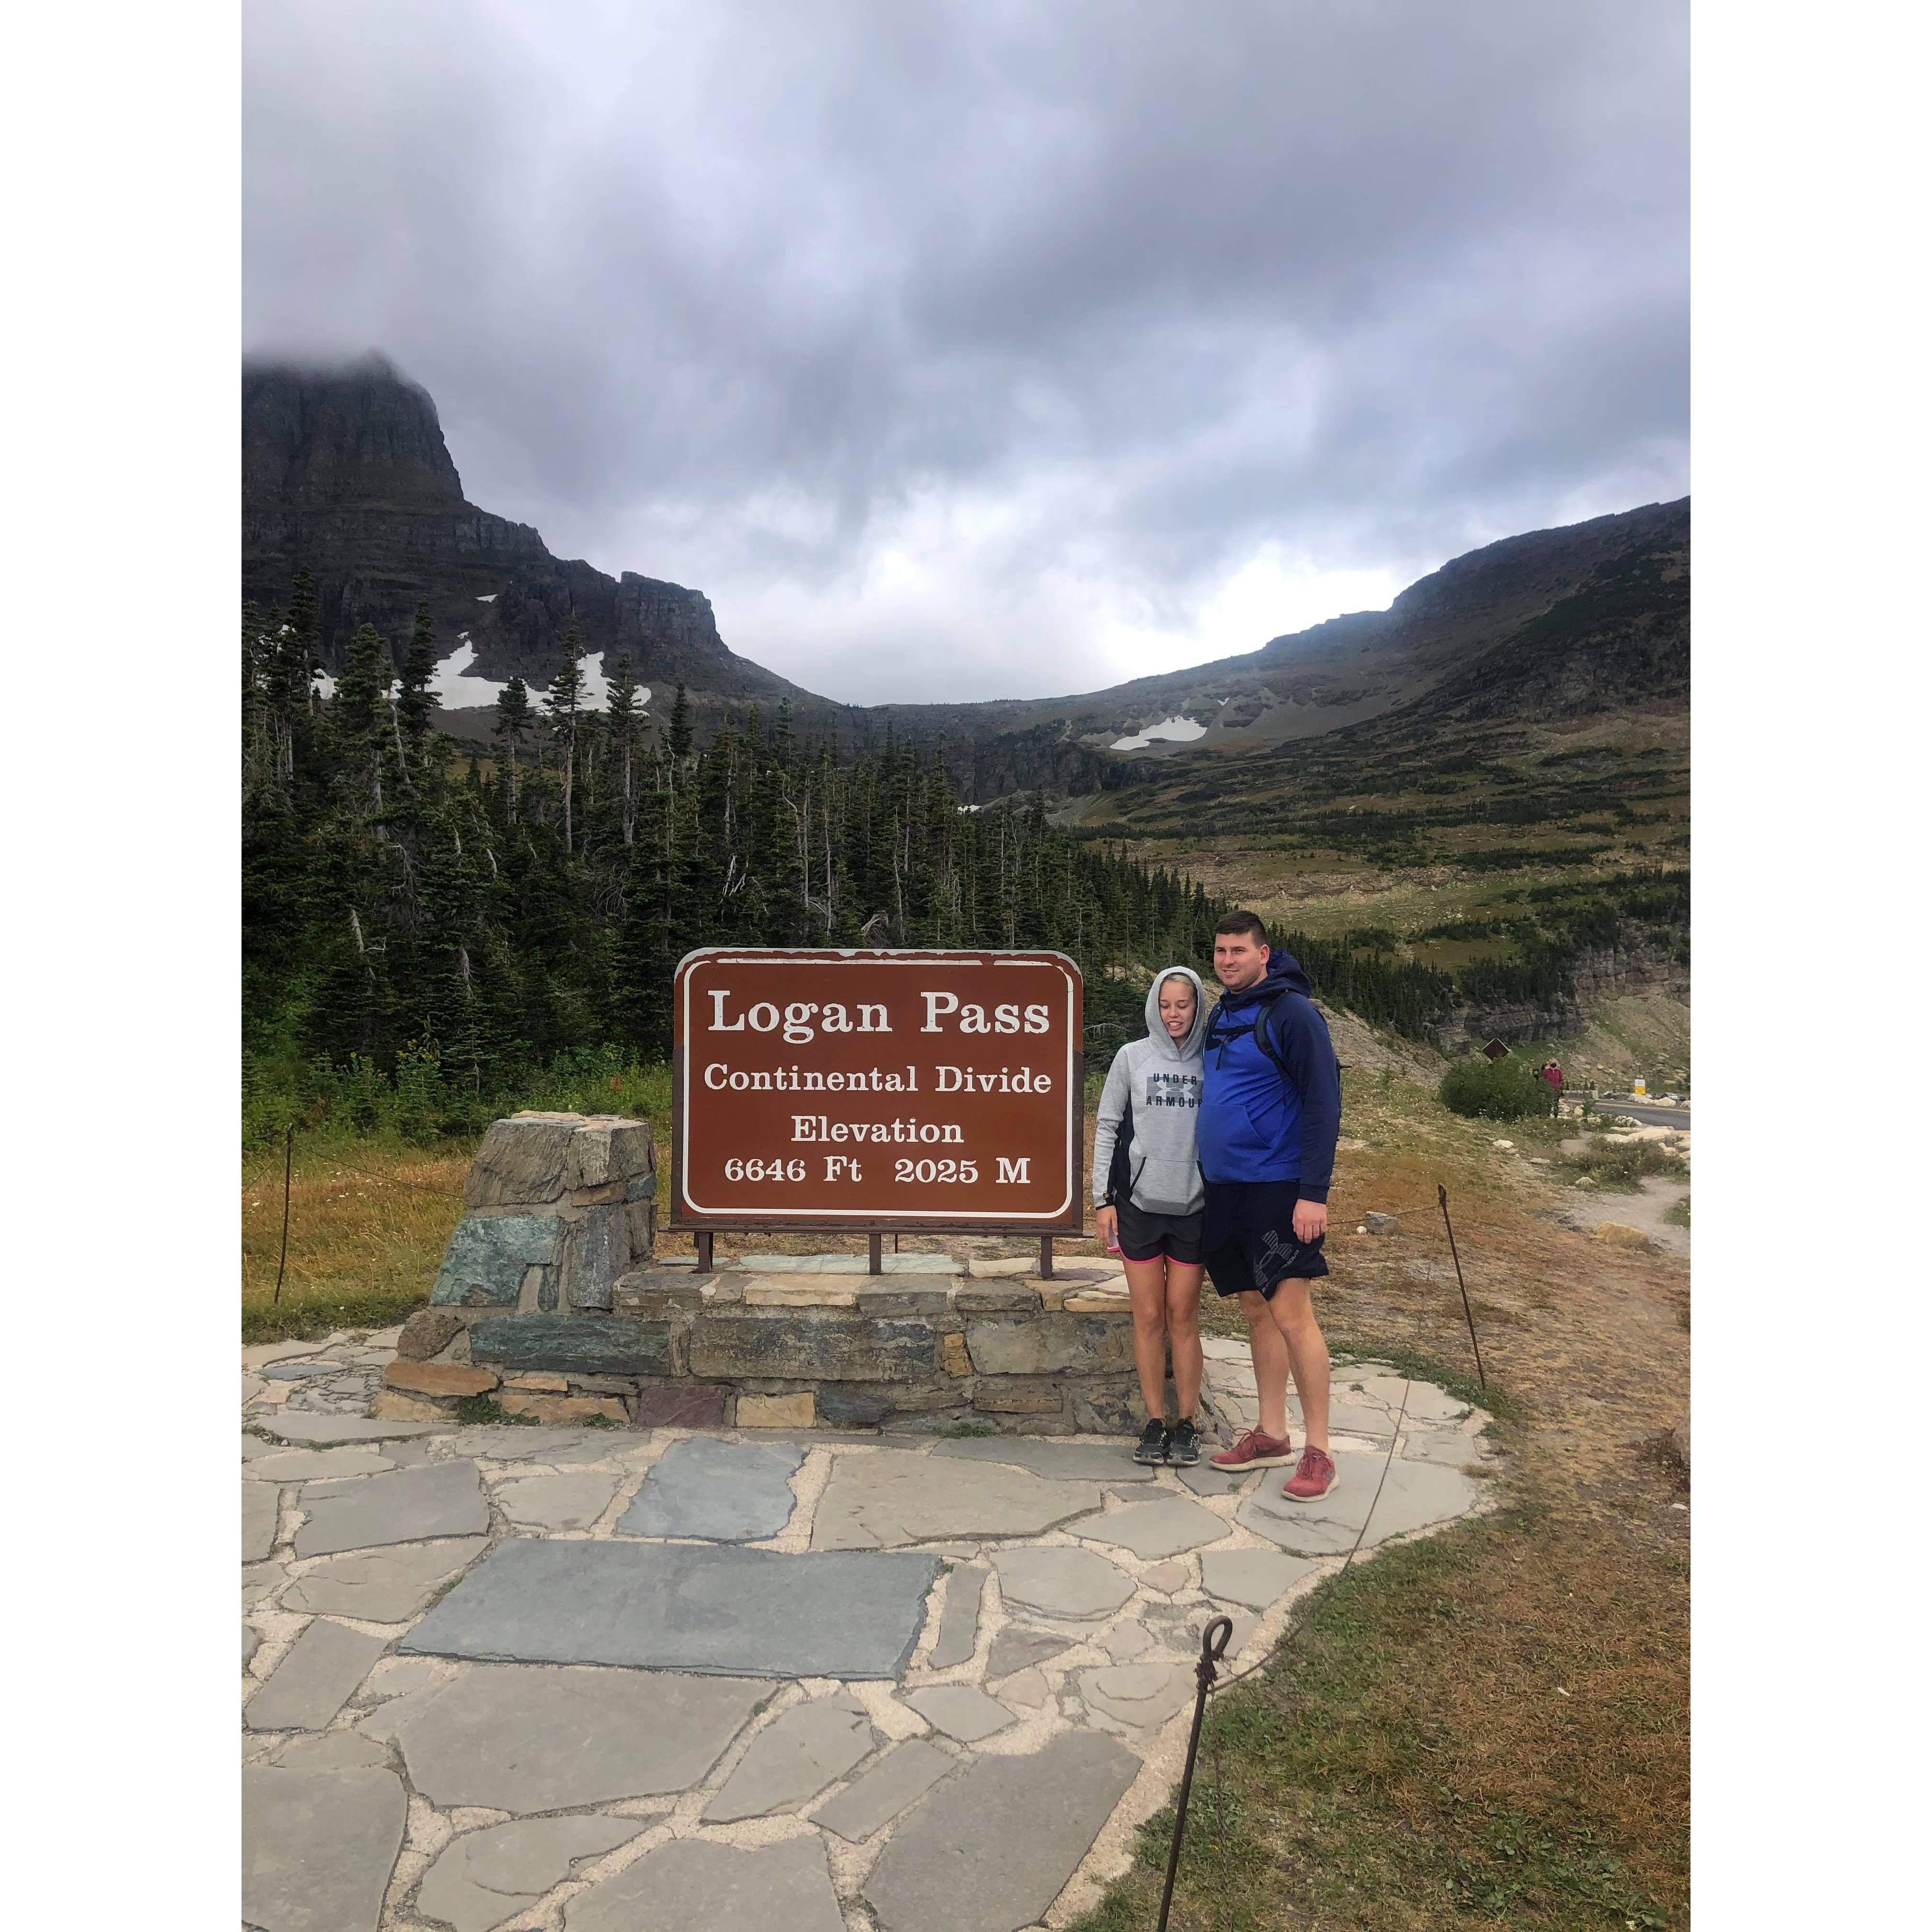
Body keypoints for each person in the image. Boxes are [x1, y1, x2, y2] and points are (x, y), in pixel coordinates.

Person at [1197, 911, 1344, 1500]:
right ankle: (1271, 1433)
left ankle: (1320, 1451)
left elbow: (1323, 1103)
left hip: (1280, 1187)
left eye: (1239, 950)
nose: (1228, 960)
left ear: (1265, 953)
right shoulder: (1222, 1011)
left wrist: (1314, 1192)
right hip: (1227, 1186)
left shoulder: (1293, 1013)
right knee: (1256, 1309)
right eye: (1220, 951)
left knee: (1291, 1314)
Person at [1092, 967, 1209, 1466]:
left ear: (1198, 1005)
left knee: (1182, 1315)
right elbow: (1107, 1126)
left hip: (1195, 1207)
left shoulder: (1214, 1059)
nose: (1174, 1014)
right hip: (1138, 1206)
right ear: (1154, 1007)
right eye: (1166, 1005)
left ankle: (1188, 1422)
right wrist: (1102, 1200)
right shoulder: (1131, 1058)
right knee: (1148, 1316)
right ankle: (1155, 1421)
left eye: (1183, 1004)